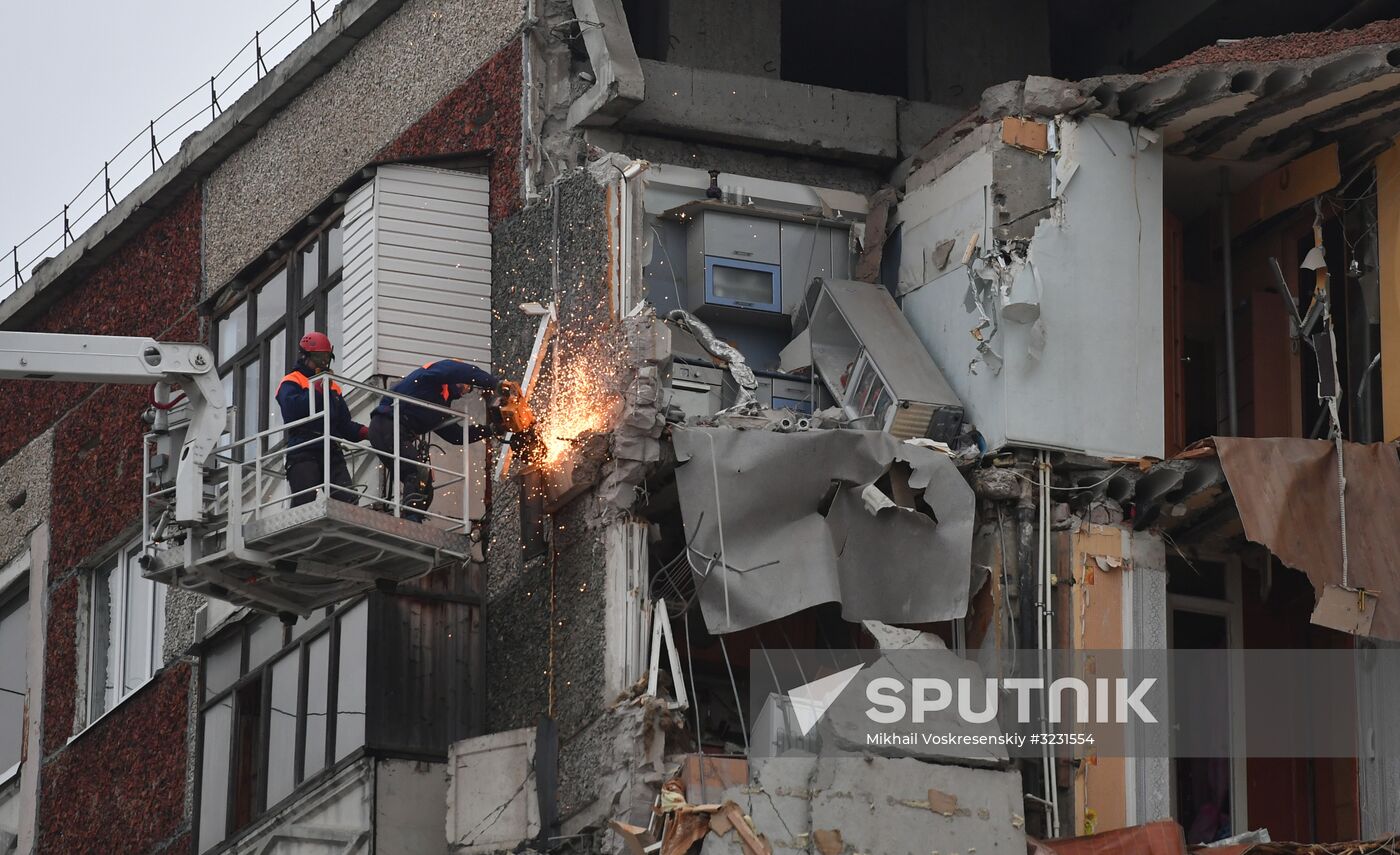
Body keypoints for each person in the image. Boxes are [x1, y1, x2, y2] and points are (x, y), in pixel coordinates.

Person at [369, 358, 507, 521]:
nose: (465, 391)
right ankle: (409, 520)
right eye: (465, 385)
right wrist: (493, 383)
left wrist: (490, 430)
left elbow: (456, 436)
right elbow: (457, 370)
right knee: (416, 472)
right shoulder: (431, 377)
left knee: (425, 484)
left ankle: (414, 520)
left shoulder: (439, 407)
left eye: (469, 389)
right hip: (386, 425)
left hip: (394, 432)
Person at [275, 332, 369, 507]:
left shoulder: (333, 387)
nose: (323, 363)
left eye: (326, 358)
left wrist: (366, 432)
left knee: (347, 502)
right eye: (319, 358)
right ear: (305, 357)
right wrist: (316, 390)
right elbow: (292, 411)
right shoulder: (292, 381)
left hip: (331, 450)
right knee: (305, 500)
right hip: (304, 448)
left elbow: (343, 424)